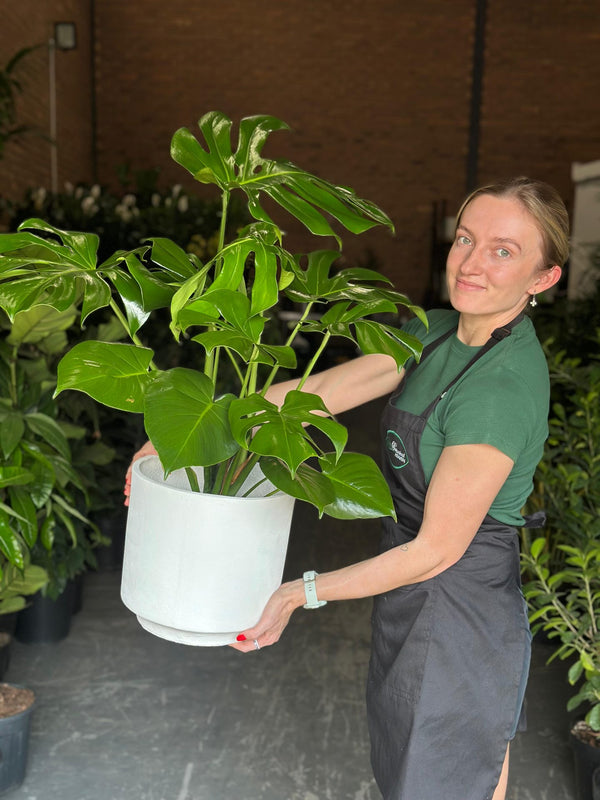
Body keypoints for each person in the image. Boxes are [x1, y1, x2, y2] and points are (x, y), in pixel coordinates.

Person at [125, 177, 568, 800]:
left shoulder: (500, 390)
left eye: (503, 251)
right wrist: (190, 434)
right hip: (410, 597)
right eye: (466, 239)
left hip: (459, 610)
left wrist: (296, 594)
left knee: (444, 779)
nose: (471, 263)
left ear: (542, 279)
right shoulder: (437, 329)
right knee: (412, 775)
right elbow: (324, 394)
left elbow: (435, 552)